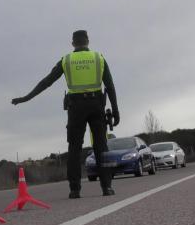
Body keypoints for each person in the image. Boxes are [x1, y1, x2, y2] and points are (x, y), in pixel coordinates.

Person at [11, 30, 120, 198]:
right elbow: (110, 86)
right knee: (101, 148)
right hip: (96, 105)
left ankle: (74, 190)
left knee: (74, 148)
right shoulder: (99, 58)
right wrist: (115, 110)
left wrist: (26, 98)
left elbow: (46, 82)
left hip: (76, 107)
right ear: (88, 41)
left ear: (73, 43)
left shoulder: (66, 60)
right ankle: (107, 187)